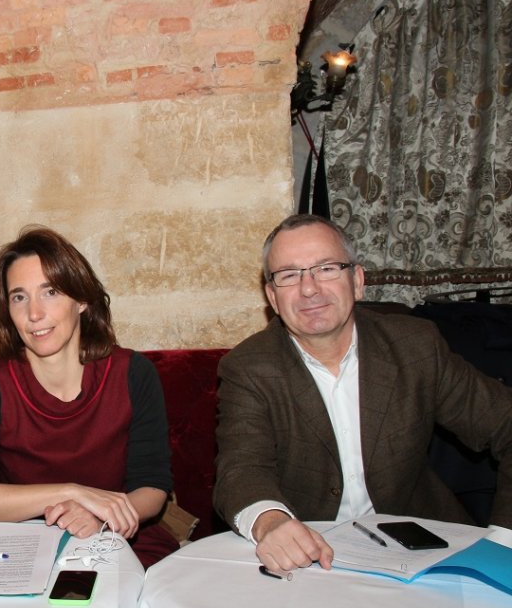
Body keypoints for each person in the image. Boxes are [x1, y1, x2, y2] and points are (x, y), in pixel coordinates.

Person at [213, 214, 512, 575]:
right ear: (272, 297)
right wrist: (271, 522)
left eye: (326, 269)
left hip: (425, 551)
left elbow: (506, 424)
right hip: (310, 561)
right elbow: (242, 469)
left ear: (357, 281)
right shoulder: (248, 367)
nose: (309, 289)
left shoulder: (415, 346)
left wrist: (503, 540)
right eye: (289, 275)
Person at [0, 226, 177, 568]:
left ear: (81, 299)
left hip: (121, 539)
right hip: (27, 548)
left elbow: (153, 489)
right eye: (19, 297)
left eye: (50, 292)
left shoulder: (133, 373)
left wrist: (101, 519)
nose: (34, 314)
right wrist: (71, 493)